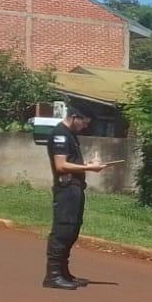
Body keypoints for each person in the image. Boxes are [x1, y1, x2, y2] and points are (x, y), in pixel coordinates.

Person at [43, 103, 107, 290]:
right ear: (74, 117)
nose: (85, 126)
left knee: (72, 231)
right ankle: (53, 275)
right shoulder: (60, 134)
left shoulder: (71, 135)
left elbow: (72, 163)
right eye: (84, 122)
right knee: (62, 230)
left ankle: (63, 272)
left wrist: (86, 164)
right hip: (66, 189)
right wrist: (89, 167)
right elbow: (61, 165)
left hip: (75, 188)